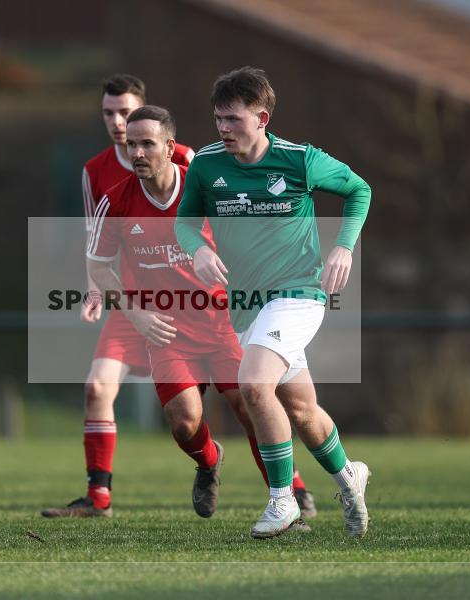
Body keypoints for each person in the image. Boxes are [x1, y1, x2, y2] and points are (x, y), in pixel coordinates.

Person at [86, 105, 310, 525]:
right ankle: (209, 462)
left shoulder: (208, 190)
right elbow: (98, 266)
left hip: (225, 324)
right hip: (167, 331)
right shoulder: (115, 201)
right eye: (131, 144)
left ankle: (287, 503)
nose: (137, 152)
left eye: (147, 143)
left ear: (170, 148)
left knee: (249, 407)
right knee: (184, 422)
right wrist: (135, 315)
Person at [175, 66, 372, 539]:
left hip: (298, 293)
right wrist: (198, 249)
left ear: (261, 117)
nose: (223, 128)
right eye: (218, 119)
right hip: (245, 305)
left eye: (233, 119)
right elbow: (184, 223)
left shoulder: (299, 159)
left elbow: (358, 189)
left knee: (253, 386)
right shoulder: (205, 164)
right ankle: (349, 477)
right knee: (301, 409)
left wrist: (343, 246)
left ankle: (282, 501)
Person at [41, 75, 193, 518]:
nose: (117, 122)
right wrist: (94, 291)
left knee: (246, 396)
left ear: (144, 112)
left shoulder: (186, 161)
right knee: (96, 387)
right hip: (132, 306)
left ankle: (293, 487)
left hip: (195, 306)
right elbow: (97, 244)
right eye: (108, 113)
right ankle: (98, 498)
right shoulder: (95, 172)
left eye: (125, 112)